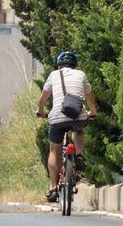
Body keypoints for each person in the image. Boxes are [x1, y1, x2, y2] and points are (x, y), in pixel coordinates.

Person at [36, 51, 97, 203]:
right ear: (75, 65)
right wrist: (93, 112)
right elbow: (89, 96)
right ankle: (79, 155)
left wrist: (40, 111)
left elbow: (43, 98)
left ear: (58, 65)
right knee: (78, 129)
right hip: (77, 114)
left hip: (56, 117)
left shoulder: (53, 75)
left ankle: (52, 188)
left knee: (54, 150)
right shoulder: (81, 75)